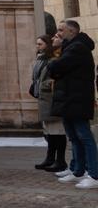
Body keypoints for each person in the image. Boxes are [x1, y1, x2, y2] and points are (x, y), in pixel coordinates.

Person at [48, 19, 98, 189]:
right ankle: (78, 170)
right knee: (75, 137)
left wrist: (54, 65)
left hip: (77, 99)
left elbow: (57, 66)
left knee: (84, 137)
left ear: (71, 32)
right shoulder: (71, 47)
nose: (58, 33)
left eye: (61, 30)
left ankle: (94, 174)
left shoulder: (77, 48)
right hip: (69, 100)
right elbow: (57, 71)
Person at [31, 34, 67, 172]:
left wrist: (42, 85)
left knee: (57, 131)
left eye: (40, 44)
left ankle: (60, 160)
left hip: (51, 99)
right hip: (43, 99)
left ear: (47, 45)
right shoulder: (40, 60)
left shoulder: (52, 59)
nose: (38, 47)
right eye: (37, 44)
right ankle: (50, 158)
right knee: (49, 132)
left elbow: (54, 79)